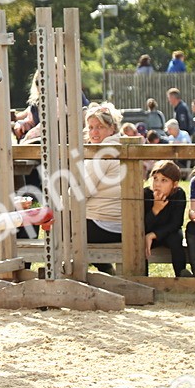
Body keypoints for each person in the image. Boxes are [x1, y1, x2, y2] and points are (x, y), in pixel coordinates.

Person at [82, 103, 124, 274]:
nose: (94, 132)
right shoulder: (119, 146)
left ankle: (69, 271)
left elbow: (80, 192)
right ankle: (105, 270)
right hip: (121, 223)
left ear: (112, 128)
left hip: (106, 225)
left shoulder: (104, 152)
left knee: (60, 221)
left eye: (100, 127)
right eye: (91, 127)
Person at [144, 160, 188, 277]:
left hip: (169, 232)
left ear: (174, 184)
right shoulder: (146, 194)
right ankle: (142, 278)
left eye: (164, 180)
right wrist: (155, 209)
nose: (157, 184)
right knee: (139, 242)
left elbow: (176, 223)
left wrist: (154, 234)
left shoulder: (179, 194)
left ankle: (181, 275)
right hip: (148, 233)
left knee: (176, 238)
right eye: (155, 179)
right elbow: (143, 224)